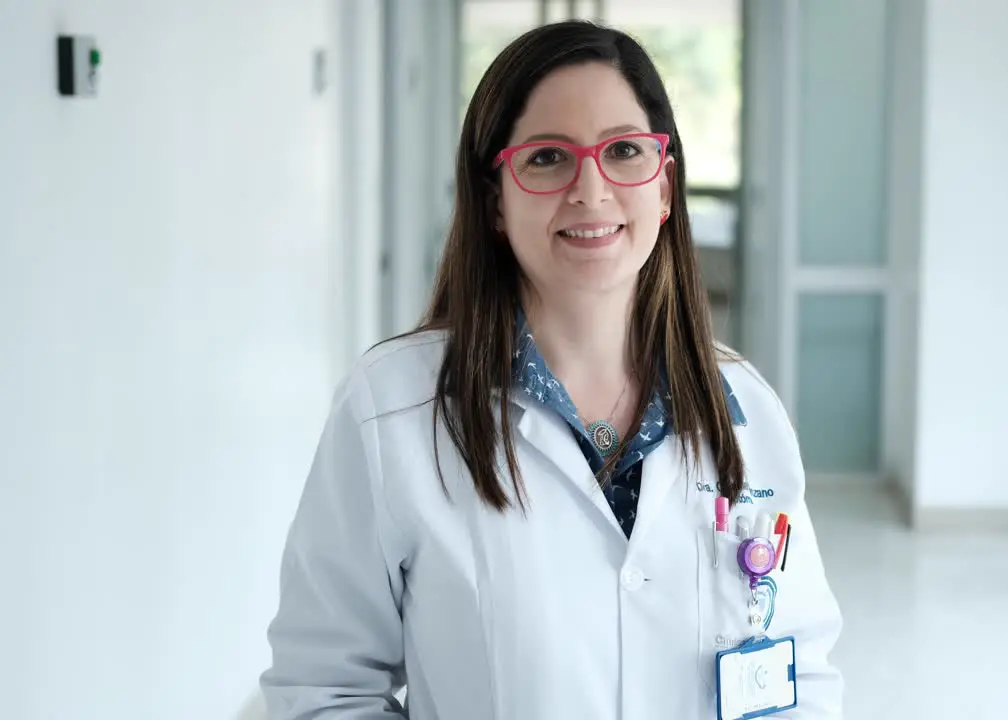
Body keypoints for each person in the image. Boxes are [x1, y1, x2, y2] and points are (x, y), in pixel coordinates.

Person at [260, 20, 842, 719]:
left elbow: (801, 667)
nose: (590, 190)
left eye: (624, 151)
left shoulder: (746, 410)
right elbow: (324, 690)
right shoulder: (391, 411)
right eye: (546, 159)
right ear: (494, 200)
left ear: (663, 189)